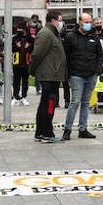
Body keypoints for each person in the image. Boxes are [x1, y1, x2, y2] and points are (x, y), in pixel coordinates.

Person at [61, 11, 103, 141]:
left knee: (86, 103)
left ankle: (83, 128)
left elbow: (100, 54)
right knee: (75, 102)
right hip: (76, 75)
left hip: (91, 74)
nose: (88, 24)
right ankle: (67, 129)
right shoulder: (70, 37)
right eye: (85, 22)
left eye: (89, 22)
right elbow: (66, 56)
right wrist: (68, 74)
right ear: (79, 22)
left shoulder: (93, 37)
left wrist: (98, 69)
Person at [30, 10, 67, 143]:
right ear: (53, 20)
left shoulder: (53, 33)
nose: (61, 23)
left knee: (45, 104)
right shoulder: (46, 33)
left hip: (52, 75)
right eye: (60, 20)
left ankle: (41, 132)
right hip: (49, 76)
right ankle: (47, 133)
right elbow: (37, 54)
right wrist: (32, 70)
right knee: (49, 104)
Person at [11, 24, 33, 103]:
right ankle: (15, 96)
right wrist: (17, 46)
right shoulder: (14, 39)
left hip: (26, 63)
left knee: (25, 81)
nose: (20, 31)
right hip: (17, 63)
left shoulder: (30, 39)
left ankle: (24, 96)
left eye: (21, 29)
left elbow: (33, 50)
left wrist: (29, 47)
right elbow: (12, 49)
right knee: (16, 80)